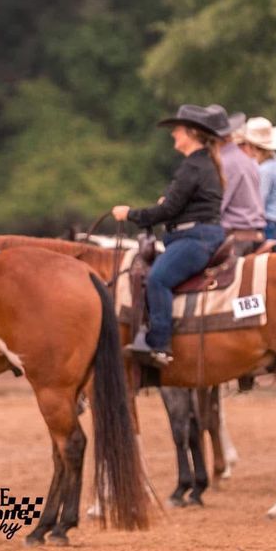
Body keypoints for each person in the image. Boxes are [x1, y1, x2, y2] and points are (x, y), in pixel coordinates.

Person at [112, 104, 229, 366]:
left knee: (158, 279)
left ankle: (159, 344)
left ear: (191, 133)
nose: (174, 133)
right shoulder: (201, 164)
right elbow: (180, 206)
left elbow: (168, 209)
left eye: (178, 129)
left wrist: (130, 214)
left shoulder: (193, 167)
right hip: (199, 235)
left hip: (195, 239)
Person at [210, 105, 265, 255]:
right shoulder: (245, 160)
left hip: (236, 237)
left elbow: (216, 206)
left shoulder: (225, 163)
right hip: (252, 233)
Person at [240, 117, 276, 251]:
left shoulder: (266, 170)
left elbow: (257, 203)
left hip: (270, 226)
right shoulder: (275, 164)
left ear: (252, 146)